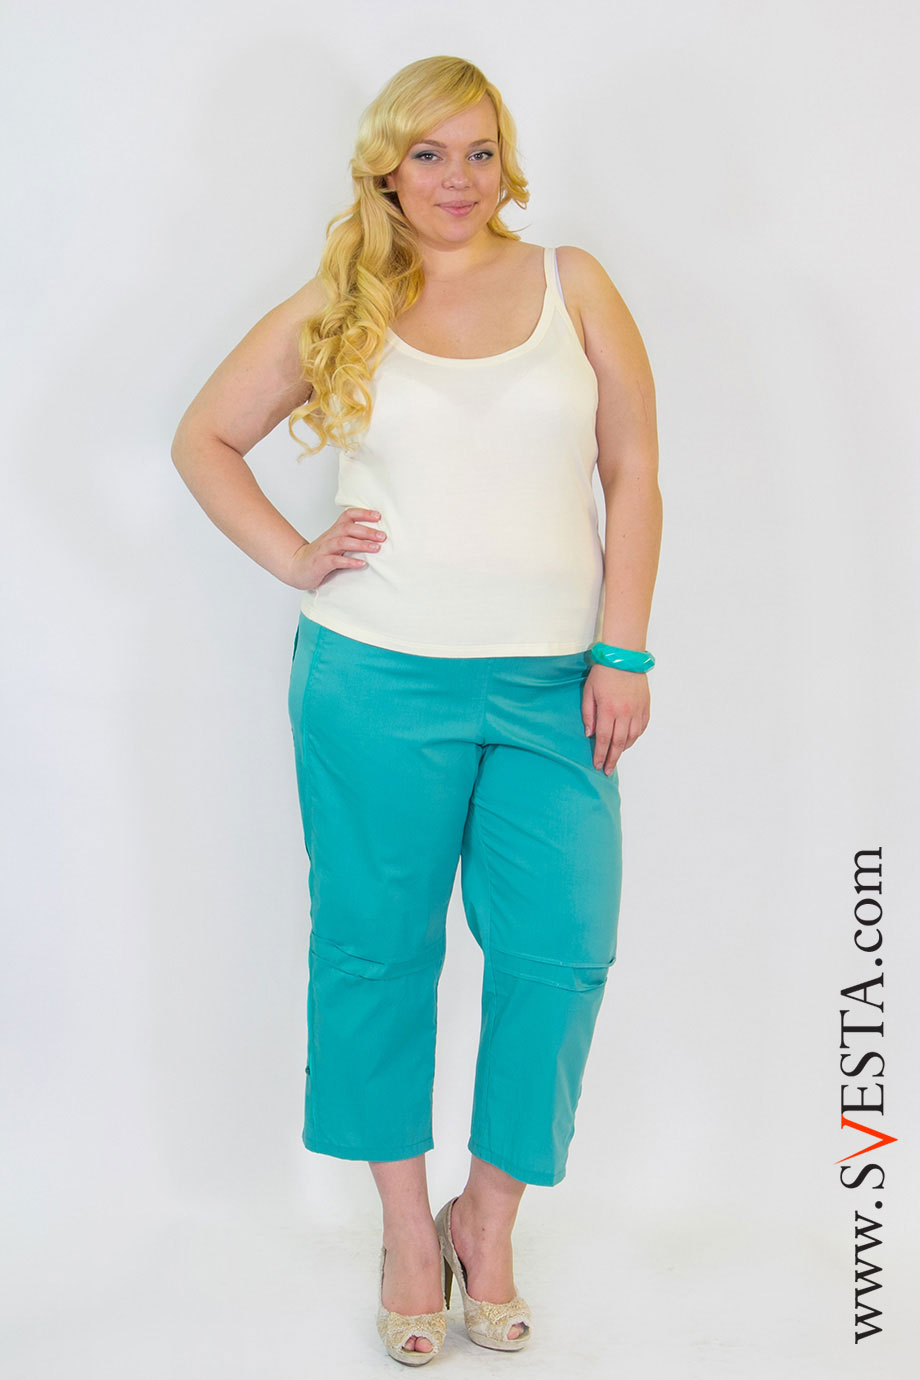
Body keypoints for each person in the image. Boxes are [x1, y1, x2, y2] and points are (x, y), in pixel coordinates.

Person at [171, 54, 661, 1368]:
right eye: (430, 154)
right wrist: (296, 557)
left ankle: (484, 1220)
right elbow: (203, 438)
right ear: (387, 167)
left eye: (480, 152)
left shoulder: (573, 283)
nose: (458, 179)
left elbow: (633, 466)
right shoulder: (346, 300)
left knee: (562, 952)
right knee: (376, 955)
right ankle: (403, 1231)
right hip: (374, 680)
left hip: (558, 687)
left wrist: (624, 647)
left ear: (509, 163)